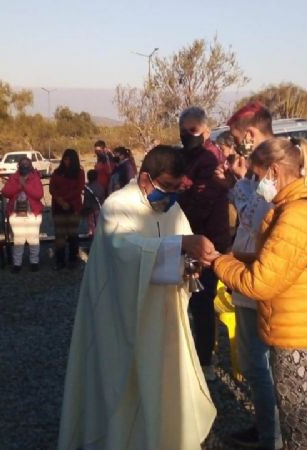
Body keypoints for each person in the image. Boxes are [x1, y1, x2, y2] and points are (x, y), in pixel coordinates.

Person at [58, 146, 219, 450]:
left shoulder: (172, 209)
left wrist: (190, 264)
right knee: (127, 387)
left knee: (164, 389)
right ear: (146, 178)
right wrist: (182, 243)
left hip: (164, 318)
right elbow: (124, 253)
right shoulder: (117, 206)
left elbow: (179, 250)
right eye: (166, 186)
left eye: (176, 188)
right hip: (122, 318)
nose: (171, 195)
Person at [213, 138, 307, 450]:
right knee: (299, 408)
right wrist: (231, 258)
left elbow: (261, 283)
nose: (257, 184)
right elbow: (282, 261)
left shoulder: (296, 215)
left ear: (273, 171)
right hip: (304, 315)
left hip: (294, 328)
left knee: (295, 415)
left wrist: (218, 262)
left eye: (258, 177)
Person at [218, 103, 280, 449]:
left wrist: (238, 184)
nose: (237, 146)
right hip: (248, 276)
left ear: (251, 135)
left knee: (260, 365)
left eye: (239, 139)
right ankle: (264, 428)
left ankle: (273, 438)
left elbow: (257, 218)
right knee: (254, 364)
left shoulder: (273, 166)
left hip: (261, 280)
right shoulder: (260, 166)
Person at [176, 106, 230, 381]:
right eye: (184, 131)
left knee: (201, 301)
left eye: (193, 131)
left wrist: (173, 201)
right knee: (187, 299)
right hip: (189, 238)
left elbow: (199, 203)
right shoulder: (186, 156)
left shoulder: (210, 159)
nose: (187, 135)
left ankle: (205, 361)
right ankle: (192, 352)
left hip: (206, 241)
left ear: (207, 131)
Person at [1, 157, 44, 273]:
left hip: (32, 213)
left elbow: (39, 194)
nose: (24, 166)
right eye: (22, 164)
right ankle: (17, 264)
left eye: (27, 164)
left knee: (33, 239)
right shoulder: (13, 178)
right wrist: (19, 186)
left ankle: (34, 262)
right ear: (18, 165)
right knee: (18, 240)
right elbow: (5, 192)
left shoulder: (35, 178)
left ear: (30, 165)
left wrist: (25, 186)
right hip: (16, 213)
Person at [50, 149, 85, 269]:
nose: (66, 161)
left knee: (72, 234)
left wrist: (65, 200)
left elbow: (78, 189)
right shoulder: (57, 172)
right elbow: (52, 188)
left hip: (73, 206)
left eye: (69, 159)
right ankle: (60, 260)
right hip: (58, 207)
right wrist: (60, 200)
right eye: (65, 159)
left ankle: (73, 259)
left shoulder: (79, 173)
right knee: (59, 235)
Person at [81, 169, 105, 237]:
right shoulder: (100, 186)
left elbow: (86, 200)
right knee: (98, 222)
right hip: (98, 208)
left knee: (91, 223)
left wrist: (84, 209)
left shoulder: (87, 188)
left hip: (90, 209)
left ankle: (92, 233)